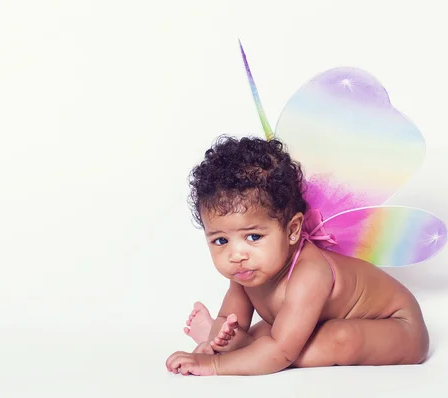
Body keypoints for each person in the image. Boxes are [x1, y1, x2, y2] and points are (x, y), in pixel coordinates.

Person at [165, 135, 429, 376]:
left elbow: (282, 351)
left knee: (337, 338)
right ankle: (243, 349)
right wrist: (214, 341)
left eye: (253, 236)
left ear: (292, 230)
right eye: (220, 240)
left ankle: (246, 351)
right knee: (277, 330)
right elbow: (230, 320)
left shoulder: (309, 273)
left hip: (399, 327)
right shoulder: (246, 269)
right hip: (310, 324)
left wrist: (214, 365)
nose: (236, 254)